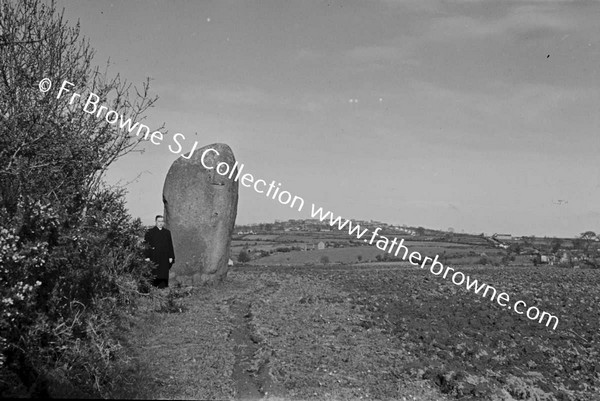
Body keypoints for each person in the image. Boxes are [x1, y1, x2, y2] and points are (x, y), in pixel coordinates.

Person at [144, 215, 175, 288]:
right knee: (155, 271)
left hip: (165, 255)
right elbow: (146, 245)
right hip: (154, 255)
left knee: (164, 270)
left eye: (162, 221)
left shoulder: (167, 232)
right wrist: (147, 256)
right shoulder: (150, 232)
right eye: (159, 221)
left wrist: (171, 256)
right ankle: (154, 286)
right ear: (156, 222)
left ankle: (163, 286)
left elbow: (170, 245)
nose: (160, 223)